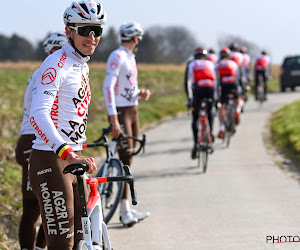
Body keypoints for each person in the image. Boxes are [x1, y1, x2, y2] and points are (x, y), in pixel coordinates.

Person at [28, 1, 106, 249]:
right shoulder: (56, 64)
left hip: (73, 158)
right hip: (51, 160)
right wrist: (67, 152)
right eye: (85, 30)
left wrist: (75, 152)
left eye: (97, 30)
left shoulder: (81, 65)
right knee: (63, 244)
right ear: (68, 31)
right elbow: (37, 114)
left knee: (82, 241)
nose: (92, 37)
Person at [15, 31, 67, 250]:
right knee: (34, 206)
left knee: (51, 205)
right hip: (32, 141)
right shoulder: (44, 73)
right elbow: (39, 113)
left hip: (46, 141)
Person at [102, 21, 151, 227]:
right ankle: (123, 210)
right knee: (124, 162)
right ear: (135, 38)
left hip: (133, 109)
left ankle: (126, 208)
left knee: (128, 160)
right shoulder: (118, 56)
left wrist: (140, 92)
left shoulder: (131, 57)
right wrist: (113, 118)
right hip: (122, 112)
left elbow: (126, 85)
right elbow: (108, 86)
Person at [186, 48, 218, 159]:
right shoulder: (211, 63)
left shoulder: (191, 64)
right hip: (210, 89)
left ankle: (195, 143)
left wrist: (189, 99)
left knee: (195, 118)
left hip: (198, 90)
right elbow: (216, 82)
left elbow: (188, 82)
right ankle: (211, 134)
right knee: (210, 111)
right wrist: (216, 98)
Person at [216, 48, 241, 139]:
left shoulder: (218, 64)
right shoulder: (233, 63)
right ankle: (237, 111)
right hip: (233, 84)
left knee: (222, 107)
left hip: (223, 85)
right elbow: (238, 76)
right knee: (238, 99)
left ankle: (222, 128)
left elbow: (216, 79)